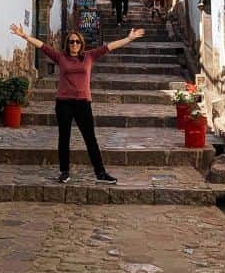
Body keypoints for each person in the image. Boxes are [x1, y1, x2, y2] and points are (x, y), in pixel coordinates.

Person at [9, 23, 145, 184]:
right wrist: (24, 35)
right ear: (68, 44)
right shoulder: (61, 57)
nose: (74, 44)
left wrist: (129, 38)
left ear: (81, 44)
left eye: (77, 42)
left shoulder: (90, 56)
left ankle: (100, 173)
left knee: (90, 138)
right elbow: (42, 46)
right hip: (64, 103)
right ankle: (64, 172)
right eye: (71, 42)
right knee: (64, 138)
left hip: (82, 103)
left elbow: (110, 46)